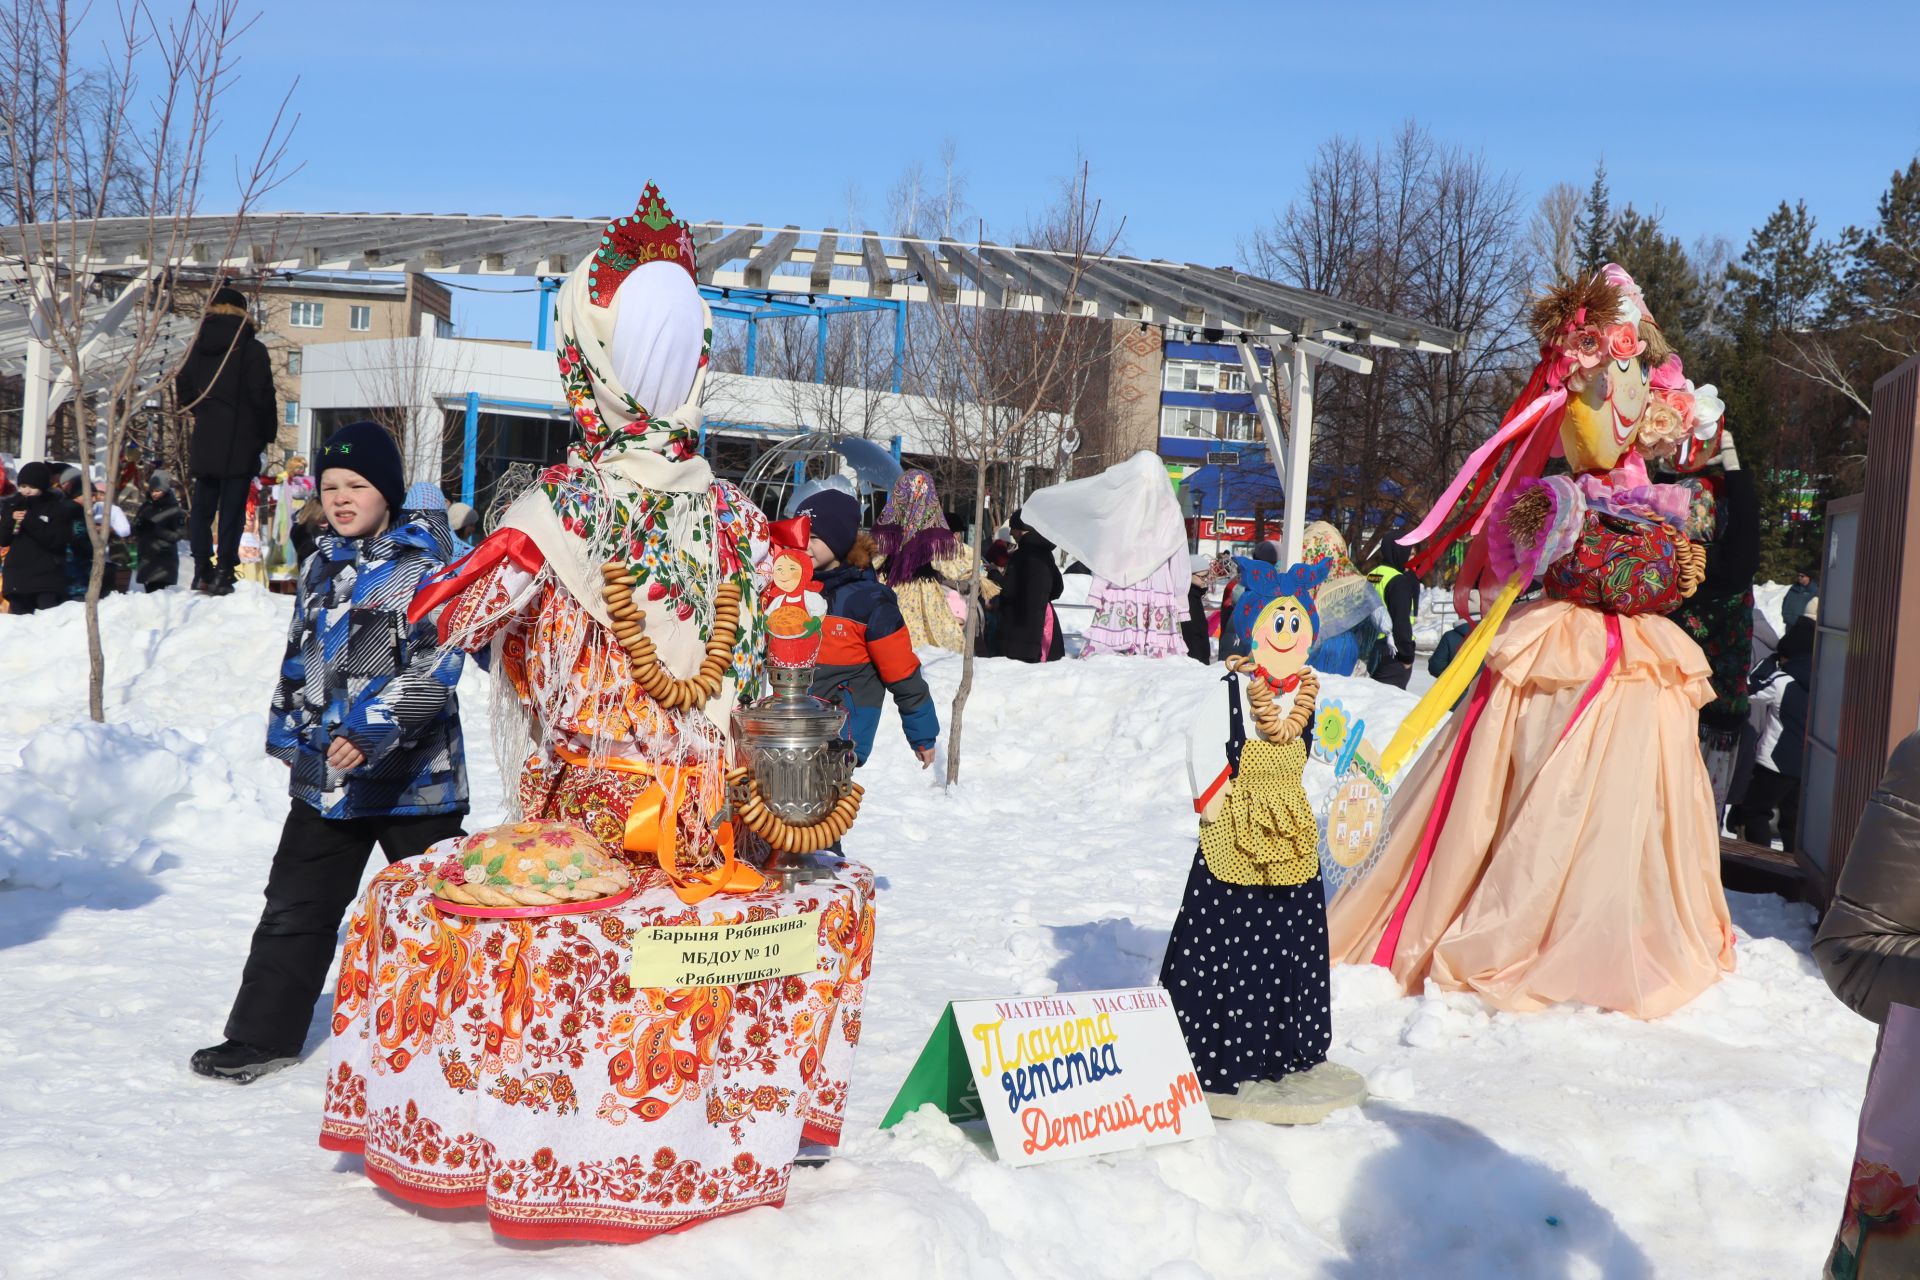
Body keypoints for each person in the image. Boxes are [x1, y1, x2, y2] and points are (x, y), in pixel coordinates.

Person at [1328, 263, 1735, 1019]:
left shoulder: (1645, 387)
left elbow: (1666, 452)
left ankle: (1605, 918)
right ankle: (1529, 916)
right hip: (1592, 580)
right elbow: (1589, 451)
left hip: (1626, 579)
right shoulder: (1590, 390)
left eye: (1628, 347)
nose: (1626, 361)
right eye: (1614, 344)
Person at [409, 182, 776, 898]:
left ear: (586, 361)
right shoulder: (743, 518)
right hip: (724, 827)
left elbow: (450, 621)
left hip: (589, 847)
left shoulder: (559, 513)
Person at [192, 420, 468, 1083]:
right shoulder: (322, 562)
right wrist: (292, 738)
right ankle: (261, 1036)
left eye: (357, 485)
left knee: (442, 916)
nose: (342, 498)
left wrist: (369, 732)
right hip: (329, 780)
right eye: (331, 486)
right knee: (295, 905)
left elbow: (438, 667)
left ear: (388, 492)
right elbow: (300, 658)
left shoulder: (427, 567)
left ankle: (464, 1035)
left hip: (412, 782)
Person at [1164, 555, 1362, 1123]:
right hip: (1235, 839)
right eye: (1278, 622)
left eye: (1297, 623)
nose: (1288, 634)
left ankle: (1284, 1045)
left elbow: (1333, 744)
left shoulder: (1306, 696)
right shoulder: (1233, 691)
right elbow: (1204, 750)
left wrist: (1357, 765)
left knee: (1287, 946)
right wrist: (1214, 805)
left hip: (1292, 839)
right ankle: (1221, 1049)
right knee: (1231, 944)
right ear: (1253, 626)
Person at [796, 487, 938, 769]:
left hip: (839, 738)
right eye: (799, 536)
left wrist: (923, 735)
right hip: (789, 732)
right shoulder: (792, 591)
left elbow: (903, 672)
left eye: (813, 537)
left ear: (838, 540)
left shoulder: (870, 601)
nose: (804, 545)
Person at [1670, 433, 1760, 809]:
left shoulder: (1669, 570)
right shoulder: (1733, 573)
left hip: (1669, 713)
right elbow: (1747, 526)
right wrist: (1734, 468)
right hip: (1718, 722)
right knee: (1701, 819)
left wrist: (1664, 469)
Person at [176, 284, 278, 595]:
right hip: (241, 437)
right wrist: (265, 433)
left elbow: (183, 385)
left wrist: (203, 411)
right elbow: (262, 396)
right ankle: (223, 571)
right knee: (232, 508)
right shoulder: (251, 348)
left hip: (207, 435)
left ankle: (200, 568)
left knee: (203, 506)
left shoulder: (197, 345)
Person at [1729, 615, 1813, 850]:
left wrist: (1769, 662)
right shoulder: (1823, 683)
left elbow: (1749, 688)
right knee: (1793, 822)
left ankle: (1757, 867)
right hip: (1806, 765)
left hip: (1773, 762)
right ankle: (1791, 870)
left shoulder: (1782, 681)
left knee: (1753, 812)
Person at [873, 469, 974, 653]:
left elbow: (872, 558)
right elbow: (956, 563)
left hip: (890, 590)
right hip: (923, 594)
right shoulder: (933, 534)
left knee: (892, 644)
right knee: (930, 646)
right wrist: (979, 568)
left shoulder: (889, 528)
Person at [1299, 522, 1390, 678]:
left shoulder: (1288, 577)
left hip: (1297, 651)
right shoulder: (1353, 582)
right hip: (1344, 650)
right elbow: (1371, 621)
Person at [1, 461, 85, 615]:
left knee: (47, 623)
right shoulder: (12, 505)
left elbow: (56, 540)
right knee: (19, 626)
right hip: (17, 577)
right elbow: (3, 540)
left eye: (32, 487)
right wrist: (10, 520)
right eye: (23, 486)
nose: (26, 491)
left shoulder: (56, 508)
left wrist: (30, 520)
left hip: (47, 578)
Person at [997, 510, 1065, 663]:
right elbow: (1058, 588)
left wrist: (995, 576)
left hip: (1019, 630)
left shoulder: (1020, 556)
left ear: (1021, 529)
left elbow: (1008, 591)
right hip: (1045, 626)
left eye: (1012, 528)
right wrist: (1041, 597)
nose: (1011, 534)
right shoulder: (1046, 554)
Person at [1366, 539, 1419, 690]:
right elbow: (1400, 622)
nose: (1412, 559)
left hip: (1371, 646)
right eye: (1409, 554)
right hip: (1393, 651)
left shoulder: (1373, 574)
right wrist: (1406, 657)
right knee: (1388, 706)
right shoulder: (1398, 580)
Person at [1218, 541, 1278, 660]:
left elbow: (1225, 613)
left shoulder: (1237, 583)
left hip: (1232, 639)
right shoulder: (1274, 586)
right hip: (1254, 646)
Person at [133, 471, 187, 591]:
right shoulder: (146, 507)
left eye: (158, 490)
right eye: (152, 490)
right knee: (149, 596)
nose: (154, 494)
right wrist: (138, 527)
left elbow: (179, 534)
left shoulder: (174, 510)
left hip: (164, 562)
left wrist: (155, 530)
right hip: (146, 558)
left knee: (159, 594)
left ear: (166, 490)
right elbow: (135, 528)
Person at [1182, 553, 1215, 664]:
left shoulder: (1196, 594)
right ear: (1189, 574)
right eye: (1202, 577)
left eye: (1207, 576)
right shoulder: (1187, 598)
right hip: (1193, 660)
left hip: (1200, 656)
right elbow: (1191, 633)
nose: (1205, 580)